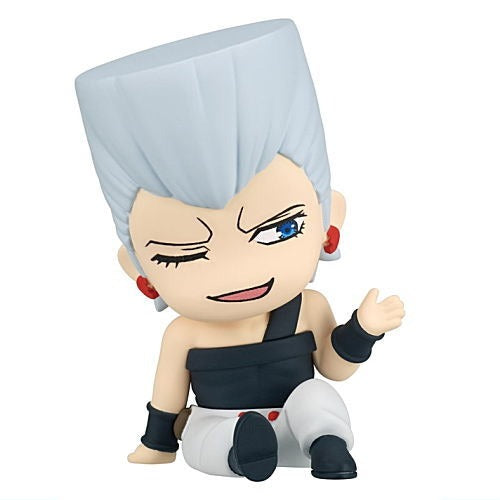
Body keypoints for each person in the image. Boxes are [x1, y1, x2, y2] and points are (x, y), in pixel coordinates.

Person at [75, 19, 405, 481]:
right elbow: (168, 397)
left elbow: (333, 369)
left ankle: (328, 444)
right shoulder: (185, 333)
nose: (235, 272)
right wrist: (158, 444)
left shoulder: (309, 307)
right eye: (183, 254)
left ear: (328, 226)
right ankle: (241, 453)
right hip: (221, 424)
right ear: (141, 273)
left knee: (317, 399)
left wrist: (362, 331)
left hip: (300, 426)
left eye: (280, 229)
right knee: (206, 439)